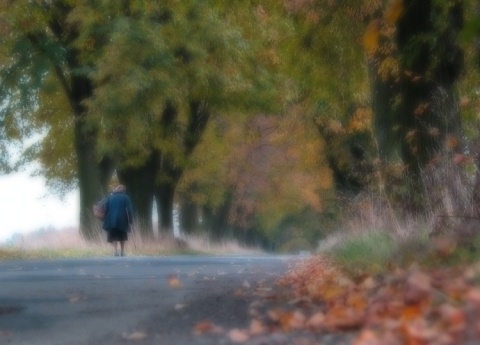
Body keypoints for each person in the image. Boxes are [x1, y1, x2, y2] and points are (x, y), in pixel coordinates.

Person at [102, 184, 134, 256]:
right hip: (122, 220)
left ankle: (115, 252)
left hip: (111, 220)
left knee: (113, 236)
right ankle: (122, 252)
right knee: (122, 235)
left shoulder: (110, 197)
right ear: (123, 190)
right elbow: (130, 210)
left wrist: (104, 218)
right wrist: (131, 219)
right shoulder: (126, 198)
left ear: (116, 190)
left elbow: (106, 208)